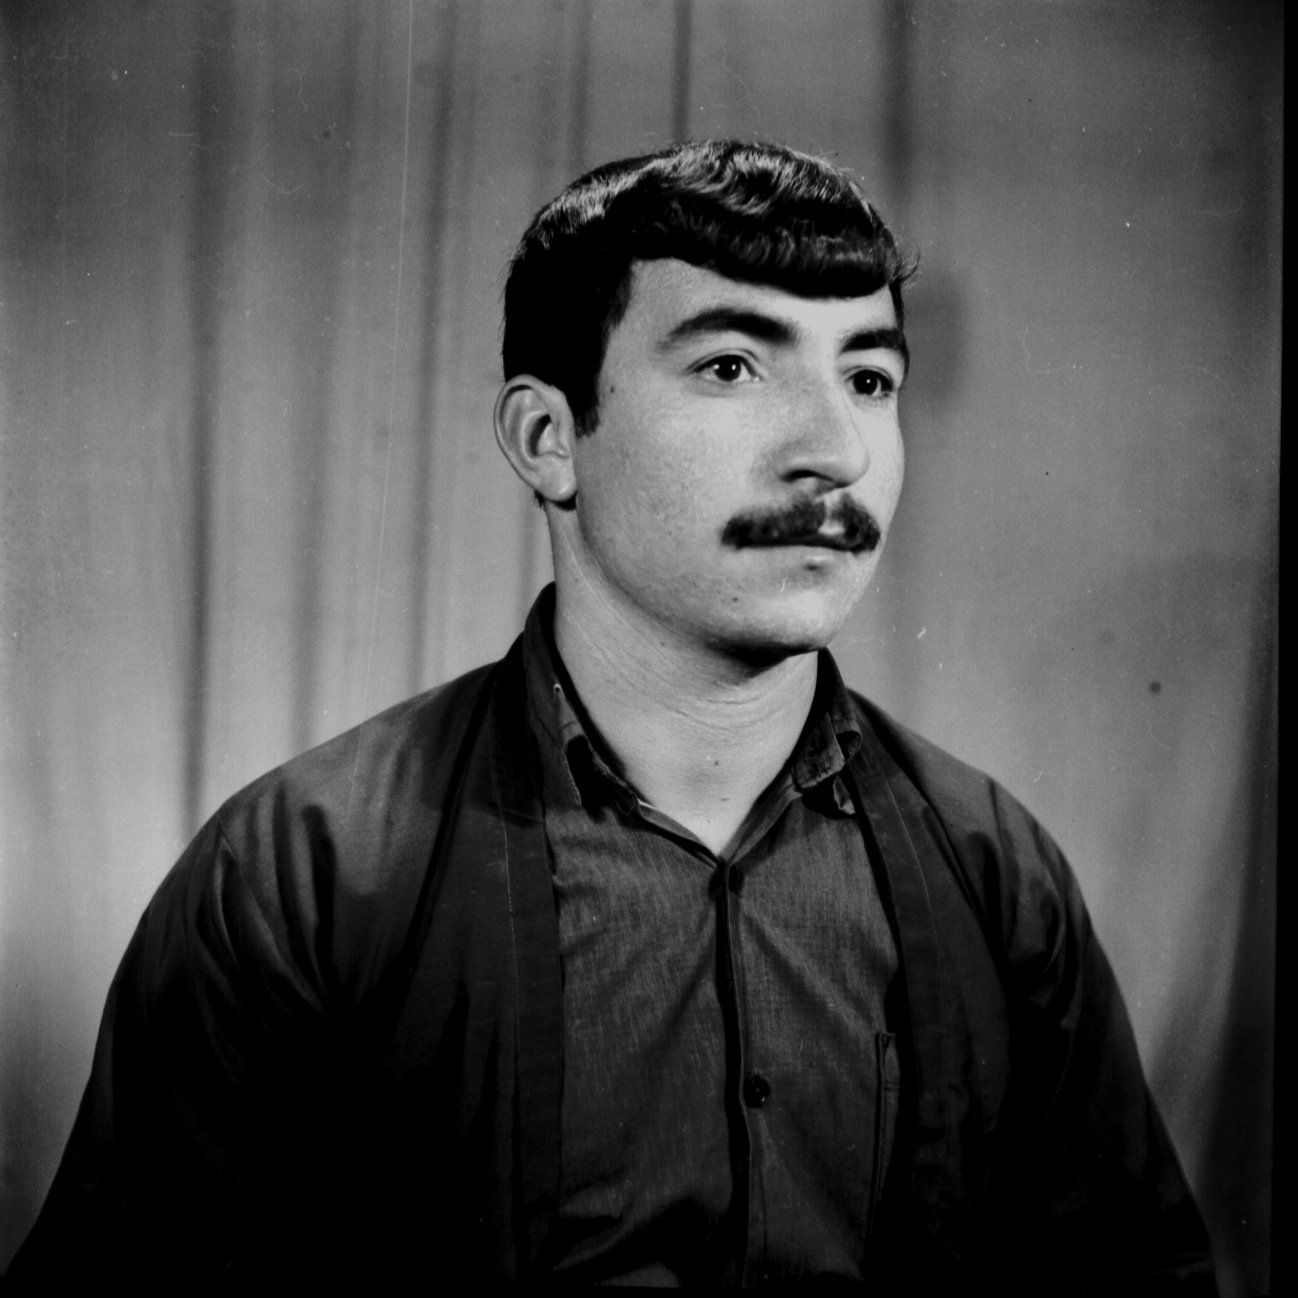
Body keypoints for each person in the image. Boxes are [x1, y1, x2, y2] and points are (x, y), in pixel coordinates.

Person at [9, 139, 1215, 1291]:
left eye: (867, 377)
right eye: (730, 366)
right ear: (547, 440)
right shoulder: (303, 870)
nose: (836, 450)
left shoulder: (991, 868)